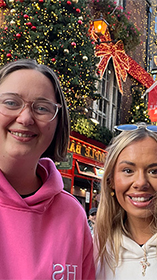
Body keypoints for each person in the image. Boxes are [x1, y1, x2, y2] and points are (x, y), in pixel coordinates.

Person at [0, 59, 95, 279]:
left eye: (42, 108)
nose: (25, 118)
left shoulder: (72, 215)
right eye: (11, 103)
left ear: (56, 123)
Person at [93, 123, 157, 279]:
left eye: (154, 171)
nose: (141, 182)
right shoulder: (94, 251)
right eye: (128, 171)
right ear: (111, 180)